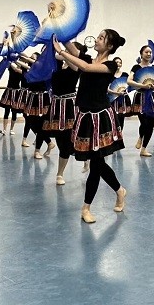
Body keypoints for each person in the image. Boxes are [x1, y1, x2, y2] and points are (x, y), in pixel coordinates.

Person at [52, 30, 128, 223]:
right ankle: (119, 190)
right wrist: (61, 31)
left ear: (109, 46)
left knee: (96, 164)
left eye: (101, 38)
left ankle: (86, 208)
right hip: (85, 117)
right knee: (98, 162)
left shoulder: (109, 65)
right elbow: (73, 50)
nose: (97, 39)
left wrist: (60, 51)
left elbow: (85, 67)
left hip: (100, 118)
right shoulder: (88, 58)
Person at [42, 46, 80, 181]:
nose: (67, 51)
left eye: (70, 50)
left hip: (69, 106)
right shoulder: (58, 64)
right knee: (59, 138)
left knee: (67, 140)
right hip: (56, 106)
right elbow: (45, 59)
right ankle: (71, 153)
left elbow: (69, 61)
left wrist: (60, 52)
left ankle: (60, 173)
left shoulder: (77, 66)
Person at [128, 45, 154, 157]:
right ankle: (141, 137)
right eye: (146, 52)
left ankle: (144, 148)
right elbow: (129, 81)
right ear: (141, 54)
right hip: (140, 96)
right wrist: (142, 85)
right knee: (143, 122)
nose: (149, 54)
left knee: (150, 123)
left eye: (150, 52)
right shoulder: (136, 67)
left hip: (152, 97)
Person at [0, 60, 24, 136]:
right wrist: (8, 58)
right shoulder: (12, 69)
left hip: (16, 92)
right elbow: (9, 64)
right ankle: (4, 129)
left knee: (14, 112)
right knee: (6, 111)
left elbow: (16, 68)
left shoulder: (22, 71)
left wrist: (16, 61)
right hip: (9, 91)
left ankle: (11, 129)